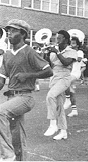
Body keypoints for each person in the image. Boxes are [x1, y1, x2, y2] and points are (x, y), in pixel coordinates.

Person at [0, 19, 53, 161]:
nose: (9, 34)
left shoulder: (29, 51)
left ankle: (6, 155)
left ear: (23, 34)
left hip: (25, 97)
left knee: (0, 112)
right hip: (12, 98)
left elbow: (48, 71)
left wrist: (28, 75)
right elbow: (1, 79)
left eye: (13, 31)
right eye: (8, 31)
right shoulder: (6, 54)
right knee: (17, 137)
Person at [44, 30, 76, 140]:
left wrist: (56, 52)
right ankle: (63, 131)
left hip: (64, 77)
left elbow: (66, 62)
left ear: (66, 40)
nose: (57, 40)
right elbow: (49, 64)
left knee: (50, 96)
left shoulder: (71, 51)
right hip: (54, 77)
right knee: (59, 106)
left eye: (60, 38)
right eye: (57, 38)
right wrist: (47, 54)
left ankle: (53, 124)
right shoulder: (55, 51)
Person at [63, 37, 83, 117]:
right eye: (71, 43)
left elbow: (78, 59)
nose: (72, 44)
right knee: (71, 91)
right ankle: (74, 110)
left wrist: (69, 57)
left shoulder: (79, 51)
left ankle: (67, 99)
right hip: (69, 72)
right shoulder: (69, 51)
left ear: (77, 45)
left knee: (65, 82)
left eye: (74, 43)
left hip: (75, 73)